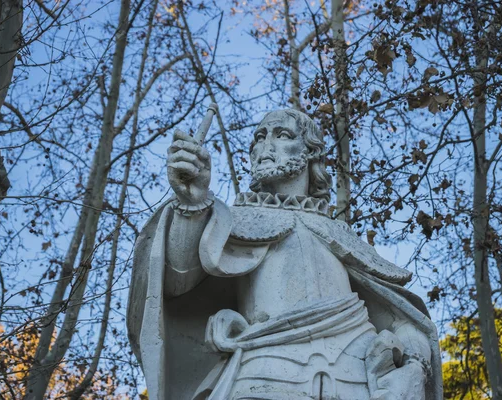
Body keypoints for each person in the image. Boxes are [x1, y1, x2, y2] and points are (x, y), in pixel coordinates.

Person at [127, 109, 443, 400]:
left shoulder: (342, 234)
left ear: (311, 153)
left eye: (282, 135)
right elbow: (175, 284)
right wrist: (192, 205)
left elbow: (406, 321)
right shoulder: (234, 220)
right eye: (260, 136)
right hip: (264, 374)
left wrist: (415, 366)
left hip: (358, 379)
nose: (265, 145)